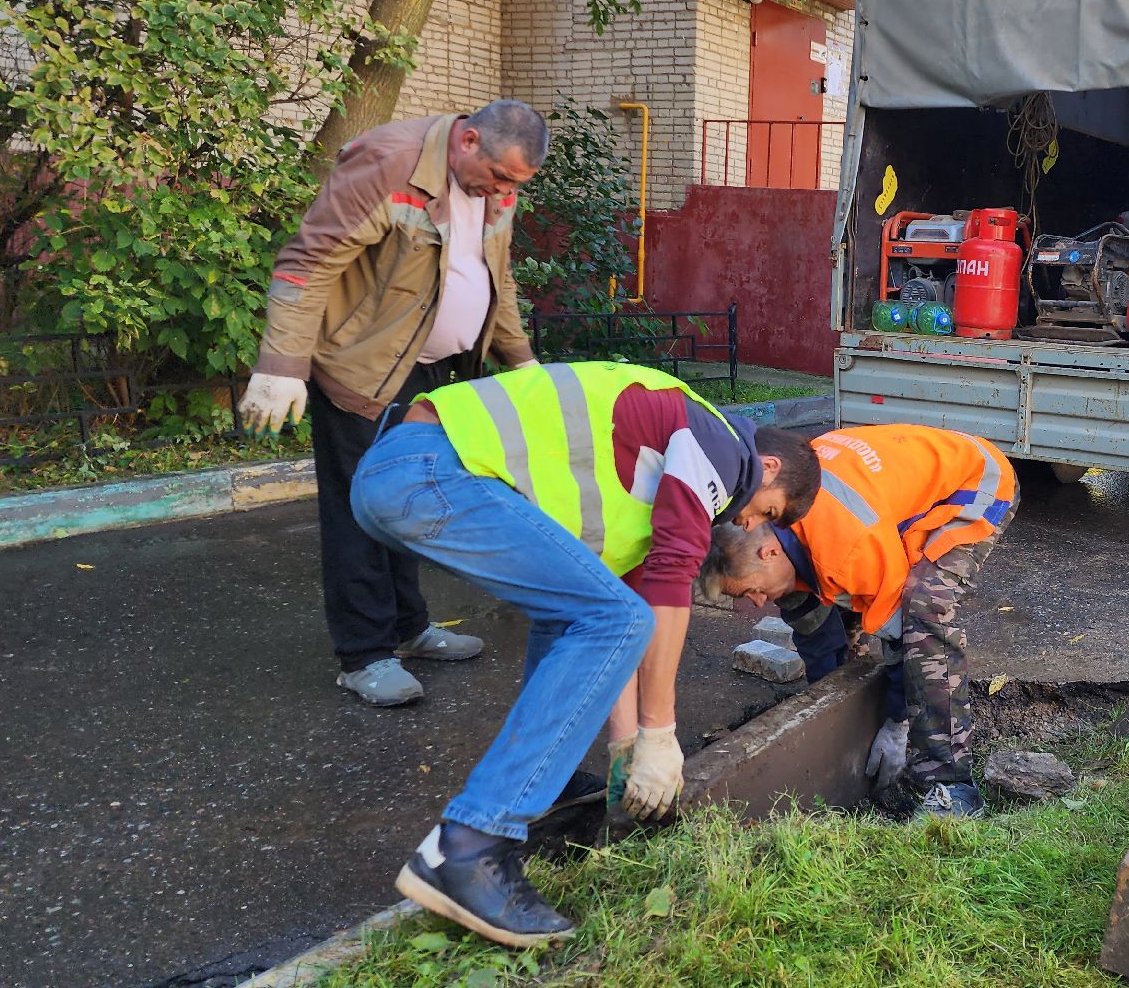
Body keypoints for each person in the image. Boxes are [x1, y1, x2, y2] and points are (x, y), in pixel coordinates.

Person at [351, 360, 820, 946]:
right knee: (616, 620)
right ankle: (469, 848)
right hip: (431, 469)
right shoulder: (721, 445)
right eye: (768, 511)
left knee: (584, 614)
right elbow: (670, 581)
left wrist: (626, 748)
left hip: (403, 470)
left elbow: (625, 598)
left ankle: (549, 785)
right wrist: (659, 734)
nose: (748, 522)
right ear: (768, 467)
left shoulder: (659, 463)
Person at [237, 100, 549, 707]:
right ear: (468, 141)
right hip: (364, 370)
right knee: (360, 510)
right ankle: (363, 654)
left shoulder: (495, 188)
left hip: (436, 373)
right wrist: (282, 365)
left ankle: (408, 628)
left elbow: (497, 277)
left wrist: (521, 361)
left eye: (515, 184)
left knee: (411, 500)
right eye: (500, 177)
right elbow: (308, 261)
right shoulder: (389, 162)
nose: (504, 192)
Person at [702, 425, 1016, 818]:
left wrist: (897, 722)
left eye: (751, 590)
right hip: (890, 492)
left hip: (974, 482)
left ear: (768, 553)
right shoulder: (775, 514)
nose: (757, 602)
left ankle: (952, 785)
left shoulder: (848, 548)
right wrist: (834, 718)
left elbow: (901, 637)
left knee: (923, 609)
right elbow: (814, 633)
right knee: (822, 596)